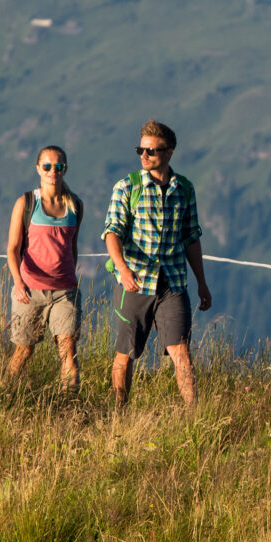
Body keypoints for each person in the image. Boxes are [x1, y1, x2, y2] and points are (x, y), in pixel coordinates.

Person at [103, 120, 211, 406]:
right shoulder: (127, 187)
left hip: (173, 283)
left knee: (182, 353)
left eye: (152, 150)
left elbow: (191, 237)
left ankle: (193, 417)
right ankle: (118, 414)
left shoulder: (184, 189)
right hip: (136, 283)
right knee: (125, 354)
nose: (145, 155)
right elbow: (112, 233)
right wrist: (123, 270)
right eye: (141, 149)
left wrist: (202, 282)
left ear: (170, 152)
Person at [7, 144, 83, 388]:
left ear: (65, 169)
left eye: (58, 166)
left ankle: (69, 402)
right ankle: (3, 393)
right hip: (30, 291)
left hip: (65, 292)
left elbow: (73, 247)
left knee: (68, 351)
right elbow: (12, 248)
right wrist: (18, 283)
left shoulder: (75, 206)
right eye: (47, 166)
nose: (53, 171)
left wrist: (69, 276)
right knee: (24, 352)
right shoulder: (27, 203)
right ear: (38, 169)